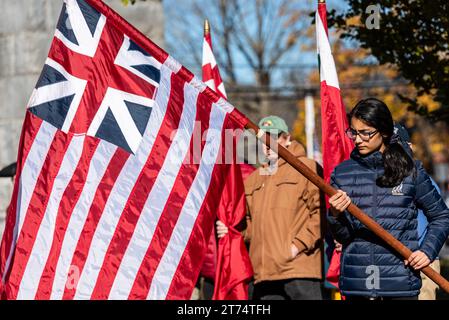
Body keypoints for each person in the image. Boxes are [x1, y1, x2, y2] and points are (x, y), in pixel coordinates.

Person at [327, 98, 449, 300]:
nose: (358, 140)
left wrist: (427, 251)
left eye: (365, 133)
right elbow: (344, 236)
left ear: (383, 131)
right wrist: (335, 215)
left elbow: (441, 216)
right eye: (353, 132)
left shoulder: (410, 169)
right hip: (358, 284)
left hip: (400, 283)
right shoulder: (342, 173)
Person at [217, 115, 324, 300]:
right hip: (263, 273)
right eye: (262, 139)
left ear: (287, 138)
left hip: (298, 269)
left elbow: (320, 214)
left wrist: (296, 247)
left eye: (273, 138)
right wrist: (233, 230)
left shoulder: (307, 168)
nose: (267, 144)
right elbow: (249, 223)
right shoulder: (253, 178)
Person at [393, 123, 443, 300]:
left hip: (423, 263)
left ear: (409, 146)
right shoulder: (378, 182)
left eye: (398, 143)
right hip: (389, 266)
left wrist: (426, 252)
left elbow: (441, 219)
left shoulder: (422, 181)